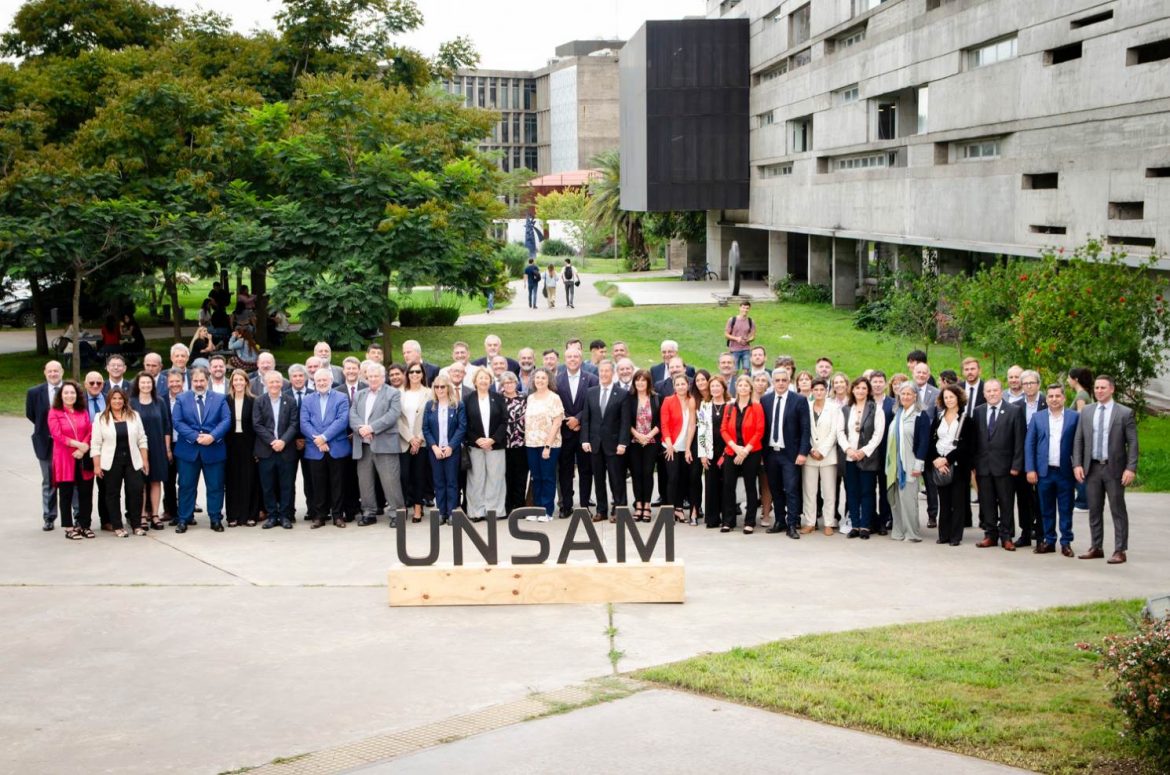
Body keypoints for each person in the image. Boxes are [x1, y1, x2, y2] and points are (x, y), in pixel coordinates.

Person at [1073, 375, 1138, 564]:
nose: (1099, 391)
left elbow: (1133, 443)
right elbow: (1079, 439)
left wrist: (1131, 468)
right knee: (1094, 508)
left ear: (1112, 389)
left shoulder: (1124, 413)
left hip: (1114, 468)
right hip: (1092, 468)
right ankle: (1096, 546)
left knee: (1117, 509)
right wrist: (1077, 464)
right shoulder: (1086, 411)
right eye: (1096, 388)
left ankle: (1120, 549)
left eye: (1103, 388)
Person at [172, 367, 230, 533]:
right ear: (191, 381)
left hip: (214, 449)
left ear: (208, 380)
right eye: (196, 381)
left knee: (215, 486)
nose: (199, 384)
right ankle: (184, 518)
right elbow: (177, 421)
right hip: (188, 451)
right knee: (186, 486)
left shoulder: (219, 398)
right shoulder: (182, 399)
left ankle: (215, 518)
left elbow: (226, 420)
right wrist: (195, 436)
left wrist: (212, 436)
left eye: (202, 381)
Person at [1025, 384, 1079, 556]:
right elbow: (1030, 444)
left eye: (1057, 396)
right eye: (1051, 396)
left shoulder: (1073, 417)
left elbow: (1079, 444)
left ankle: (1066, 542)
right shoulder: (1038, 417)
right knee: (1045, 509)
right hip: (1044, 472)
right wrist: (1030, 469)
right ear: (1046, 398)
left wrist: (1077, 465)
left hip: (1065, 472)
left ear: (1064, 398)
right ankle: (1049, 541)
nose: (1054, 399)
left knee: (1065, 509)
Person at [971, 379, 1025, 551]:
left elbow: (1019, 440)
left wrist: (1016, 465)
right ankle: (990, 535)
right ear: (984, 393)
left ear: (1001, 391)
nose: (992, 394)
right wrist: (974, 465)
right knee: (987, 502)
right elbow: (976, 441)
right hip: (983, 466)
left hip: (1006, 467)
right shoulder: (978, 411)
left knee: (1006, 502)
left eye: (995, 390)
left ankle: (1007, 536)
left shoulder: (1014, 411)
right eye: (988, 391)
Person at [351, 362, 405, 527]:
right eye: (370, 376)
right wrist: (360, 428)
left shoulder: (393, 393)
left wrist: (372, 428)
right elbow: (352, 413)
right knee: (365, 481)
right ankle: (369, 512)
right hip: (363, 444)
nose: (373, 379)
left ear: (383, 378)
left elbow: (393, 414)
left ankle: (398, 513)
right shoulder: (360, 394)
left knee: (390, 481)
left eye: (376, 376)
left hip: (385, 443)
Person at [90, 387, 150, 538]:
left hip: (133, 460)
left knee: (136, 491)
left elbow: (142, 439)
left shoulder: (134, 415)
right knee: (112, 494)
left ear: (125, 400)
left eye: (120, 398)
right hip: (111, 462)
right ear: (109, 400)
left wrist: (145, 460)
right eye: (114, 398)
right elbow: (95, 444)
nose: (117, 401)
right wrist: (96, 466)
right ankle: (117, 525)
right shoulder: (100, 418)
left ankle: (136, 525)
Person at [760, 369, 810, 539]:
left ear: (789, 381)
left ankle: (792, 524)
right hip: (770, 453)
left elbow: (805, 429)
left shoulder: (799, 400)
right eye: (777, 380)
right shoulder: (765, 400)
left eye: (784, 380)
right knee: (775, 489)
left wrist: (803, 452)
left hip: (790, 454)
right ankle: (779, 521)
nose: (780, 383)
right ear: (772, 382)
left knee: (791, 489)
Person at [301, 368, 352, 529]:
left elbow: (342, 421)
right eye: (318, 381)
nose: (322, 383)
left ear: (331, 381)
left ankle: (338, 515)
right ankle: (320, 516)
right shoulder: (307, 399)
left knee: (338, 483)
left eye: (325, 380)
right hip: (315, 449)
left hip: (336, 447)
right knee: (318, 484)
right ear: (314, 383)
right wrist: (318, 440)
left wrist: (324, 437)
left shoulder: (341, 397)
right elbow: (304, 423)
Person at [837, 376, 885, 540]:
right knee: (852, 492)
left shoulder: (876, 409)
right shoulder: (845, 409)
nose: (860, 391)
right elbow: (840, 432)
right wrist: (848, 449)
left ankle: (866, 525)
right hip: (850, 457)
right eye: (857, 388)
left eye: (864, 388)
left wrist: (863, 451)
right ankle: (855, 525)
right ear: (852, 390)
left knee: (867, 492)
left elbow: (878, 434)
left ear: (868, 391)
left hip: (867, 457)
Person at [48, 380, 95, 540]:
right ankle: (69, 527)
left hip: (82, 456)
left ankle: (84, 525)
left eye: (72, 392)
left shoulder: (83, 411)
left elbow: (90, 430)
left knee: (86, 492)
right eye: (66, 393)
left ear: (77, 395)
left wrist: (84, 448)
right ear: (61, 395)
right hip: (64, 458)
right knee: (66, 493)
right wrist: (78, 445)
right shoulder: (54, 412)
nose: (70, 395)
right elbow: (57, 434)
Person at [929, 384, 974, 546]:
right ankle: (943, 535)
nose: (949, 400)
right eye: (946, 397)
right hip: (940, 465)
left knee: (958, 502)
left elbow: (966, 446)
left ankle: (955, 537)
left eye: (952, 397)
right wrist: (936, 460)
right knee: (944, 502)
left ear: (958, 398)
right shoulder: (939, 417)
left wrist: (946, 459)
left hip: (958, 465)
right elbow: (932, 441)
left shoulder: (966, 418)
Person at [554, 346, 597, 517]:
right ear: (565, 359)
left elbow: (593, 404)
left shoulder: (592, 379)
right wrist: (568, 420)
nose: (572, 359)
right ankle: (566, 505)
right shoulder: (556, 380)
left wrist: (578, 419)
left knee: (586, 470)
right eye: (569, 356)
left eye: (575, 356)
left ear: (581, 359)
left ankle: (585, 504)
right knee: (565, 470)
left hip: (585, 431)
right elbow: (555, 405)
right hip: (564, 432)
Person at [254, 370, 299, 530]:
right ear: (265, 384)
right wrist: (273, 441)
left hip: (286, 451)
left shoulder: (290, 401)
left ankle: (285, 516)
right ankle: (272, 515)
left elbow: (294, 424)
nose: (274, 385)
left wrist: (283, 441)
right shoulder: (259, 401)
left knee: (287, 485)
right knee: (268, 486)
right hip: (266, 450)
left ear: (282, 383)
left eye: (277, 382)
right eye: (271, 382)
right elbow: (257, 424)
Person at [886, 383, 931, 543]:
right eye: (902, 394)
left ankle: (912, 533)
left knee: (909, 500)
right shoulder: (897, 413)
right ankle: (898, 531)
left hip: (911, 464)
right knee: (896, 500)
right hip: (895, 466)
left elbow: (924, 442)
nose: (905, 397)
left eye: (909, 394)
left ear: (915, 396)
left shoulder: (920, 415)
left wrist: (919, 464)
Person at [720, 374, 765, 533]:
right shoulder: (729, 407)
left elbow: (759, 431)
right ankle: (728, 521)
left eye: (746, 385)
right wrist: (735, 447)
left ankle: (750, 521)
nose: (743, 388)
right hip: (732, 451)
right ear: (736, 388)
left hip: (751, 452)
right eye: (740, 385)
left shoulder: (756, 406)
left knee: (750, 486)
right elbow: (723, 430)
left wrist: (745, 450)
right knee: (728, 485)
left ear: (750, 388)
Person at [463, 368, 507, 521]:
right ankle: (476, 511)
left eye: (486, 378)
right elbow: (464, 423)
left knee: (496, 478)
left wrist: (492, 439)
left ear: (490, 381)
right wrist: (477, 439)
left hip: (495, 445)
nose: (483, 381)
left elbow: (504, 421)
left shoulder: (498, 398)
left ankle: (494, 510)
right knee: (476, 479)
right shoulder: (468, 399)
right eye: (480, 378)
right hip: (475, 445)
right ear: (475, 381)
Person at [130, 371, 171, 531]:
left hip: (158, 447)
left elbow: (167, 426)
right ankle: (142, 515)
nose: (146, 385)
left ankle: (154, 514)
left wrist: (167, 449)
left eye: (149, 383)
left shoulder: (159, 401)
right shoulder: (131, 402)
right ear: (137, 385)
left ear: (152, 385)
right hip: (138, 448)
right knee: (141, 483)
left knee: (155, 481)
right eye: (143, 383)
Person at [422, 375, 466, 525]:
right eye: (437, 387)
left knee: (452, 482)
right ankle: (441, 512)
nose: (440, 389)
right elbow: (425, 428)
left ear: (448, 388)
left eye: (443, 386)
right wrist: (434, 447)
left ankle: (452, 511)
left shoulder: (458, 405)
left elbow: (462, 428)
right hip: (435, 451)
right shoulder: (430, 406)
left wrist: (451, 447)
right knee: (439, 481)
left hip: (451, 450)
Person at [28, 360, 66, 531]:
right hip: (45, 442)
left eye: (56, 371)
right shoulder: (34, 392)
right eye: (50, 371)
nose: (53, 374)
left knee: (70, 479)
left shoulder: (72, 390)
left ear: (62, 372)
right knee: (49, 480)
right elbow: (32, 415)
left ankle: (77, 515)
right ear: (45, 372)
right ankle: (49, 517)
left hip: (68, 443)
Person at [802, 378, 841, 535]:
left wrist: (823, 450)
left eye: (821, 390)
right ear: (811, 391)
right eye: (815, 390)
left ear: (826, 391)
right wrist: (811, 449)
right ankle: (810, 522)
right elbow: (804, 430)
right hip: (810, 455)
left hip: (828, 455)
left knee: (829, 490)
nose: (819, 392)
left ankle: (829, 522)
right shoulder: (807, 406)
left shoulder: (834, 408)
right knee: (809, 490)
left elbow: (834, 432)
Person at [524, 369, 564, 521]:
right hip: (531, 444)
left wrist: (547, 446)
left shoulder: (554, 398)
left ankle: (547, 511)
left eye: (543, 378)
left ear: (549, 380)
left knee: (547, 477)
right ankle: (537, 509)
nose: (540, 380)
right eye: (538, 378)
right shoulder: (531, 398)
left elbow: (557, 422)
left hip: (549, 444)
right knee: (536, 477)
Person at [224, 369, 259, 527]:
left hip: (249, 444)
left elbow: (257, 426)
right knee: (232, 480)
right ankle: (233, 515)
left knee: (250, 479)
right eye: (235, 380)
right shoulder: (225, 400)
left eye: (241, 380)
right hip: (230, 444)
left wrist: (258, 449)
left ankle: (250, 515)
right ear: (231, 383)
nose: (238, 383)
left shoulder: (253, 401)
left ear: (246, 382)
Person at [624, 369, 661, 523]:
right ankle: (638, 505)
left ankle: (647, 505)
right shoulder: (630, 398)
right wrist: (638, 435)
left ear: (648, 382)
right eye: (637, 380)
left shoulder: (656, 398)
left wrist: (648, 436)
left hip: (651, 442)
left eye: (643, 380)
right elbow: (626, 421)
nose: (640, 383)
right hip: (634, 442)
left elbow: (660, 421)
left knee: (647, 473)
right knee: (636, 474)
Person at [661, 373, 697, 525]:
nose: (681, 387)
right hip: (670, 445)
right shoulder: (668, 400)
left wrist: (688, 448)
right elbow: (664, 424)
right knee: (673, 478)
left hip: (685, 446)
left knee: (683, 478)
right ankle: (669, 509)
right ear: (674, 386)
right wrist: (669, 445)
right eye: (678, 384)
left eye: (683, 384)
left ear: (687, 385)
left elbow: (692, 425)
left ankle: (679, 508)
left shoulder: (692, 400)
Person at [398, 361, 432, 523]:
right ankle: (404, 505)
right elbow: (396, 419)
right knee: (404, 476)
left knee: (419, 476)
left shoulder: (430, 393)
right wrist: (410, 438)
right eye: (411, 372)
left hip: (422, 441)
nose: (414, 375)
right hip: (404, 441)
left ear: (423, 374)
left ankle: (418, 508)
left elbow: (431, 419)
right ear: (407, 374)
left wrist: (418, 438)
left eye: (418, 372)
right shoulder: (399, 393)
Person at [697, 373, 728, 529]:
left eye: (718, 386)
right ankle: (712, 518)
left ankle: (726, 518)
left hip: (727, 450)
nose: (715, 389)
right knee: (711, 483)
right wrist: (702, 454)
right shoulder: (704, 405)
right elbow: (701, 431)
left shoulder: (731, 404)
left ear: (723, 388)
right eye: (713, 386)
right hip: (710, 450)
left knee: (726, 484)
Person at [499, 372, 529, 515]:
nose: (509, 385)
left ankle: (519, 506)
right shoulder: (498, 399)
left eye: (511, 382)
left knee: (521, 476)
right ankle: (508, 506)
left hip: (521, 443)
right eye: (506, 383)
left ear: (516, 383)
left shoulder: (524, 397)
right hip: (504, 444)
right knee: (506, 476)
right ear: (502, 385)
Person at [1067, 366, 1093, 512]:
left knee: (1078, 466)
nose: (1067, 380)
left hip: (1079, 437)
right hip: (1081, 437)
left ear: (1075, 379)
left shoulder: (1081, 396)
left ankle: (1083, 501)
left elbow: (1080, 418)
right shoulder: (1084, 394)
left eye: (1069, 377)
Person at [724, 301, 755, 372]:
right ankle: (735, 382)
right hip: (734, 350)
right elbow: (726, 334)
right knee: (734, 370)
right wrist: (736, 338)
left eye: (747, 308)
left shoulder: (751, 321)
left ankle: (746, 382)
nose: (745, 310)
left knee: (746, 370)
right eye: (743, 308)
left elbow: (753, 335)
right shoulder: (732, 320)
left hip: (746, 349)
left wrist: (748, 340)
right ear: (740, 308)